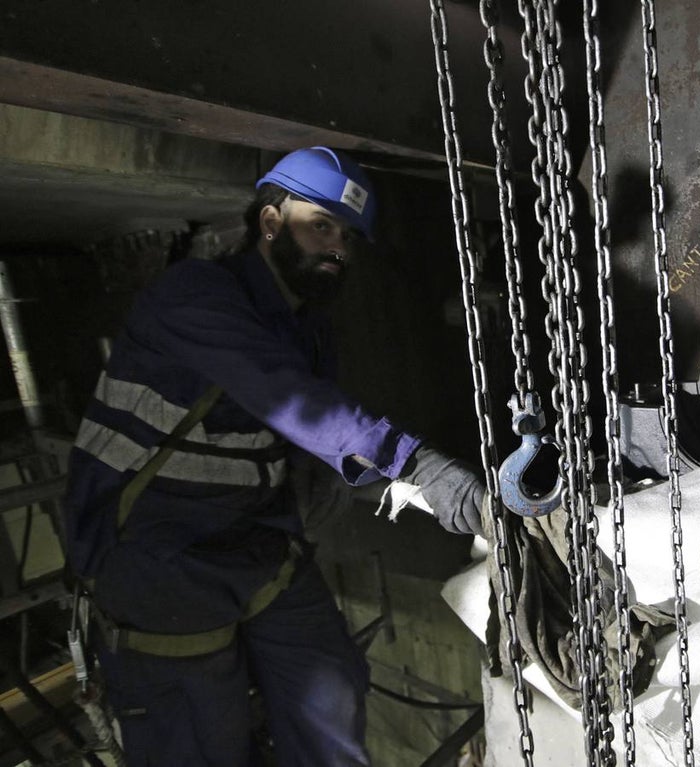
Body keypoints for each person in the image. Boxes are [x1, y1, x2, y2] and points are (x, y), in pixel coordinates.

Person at [62, 146, 486, 766]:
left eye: (344, 236)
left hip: (256, 543)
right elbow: (298, 403)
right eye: (321, 226)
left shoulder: (305, 330)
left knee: (333, 690)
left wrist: (430, 497)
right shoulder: (195, 297)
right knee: (203, 740)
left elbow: (312, 447)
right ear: (268, 221)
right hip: (156, 558)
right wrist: (420, 467)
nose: (336, 247)